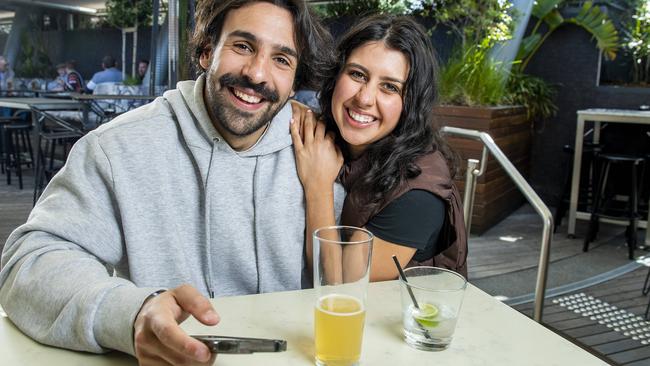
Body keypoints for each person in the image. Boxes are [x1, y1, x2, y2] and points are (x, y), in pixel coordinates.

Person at [0, 1, 336, 365]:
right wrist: (131, 314)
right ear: (207, 51)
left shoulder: (317, 148)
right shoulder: (119, 147)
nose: (257, 74)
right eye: (242, 46)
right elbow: (29, 263)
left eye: (282, 60)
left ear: (293, 83)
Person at [290, 15, 468, 282]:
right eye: (357, 74)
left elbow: (338, 288)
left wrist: (318, 185)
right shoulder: (332, 133)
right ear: (336, 76)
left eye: (389, 87)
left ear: (410, 104)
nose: (364, 98)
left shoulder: (418, 194)